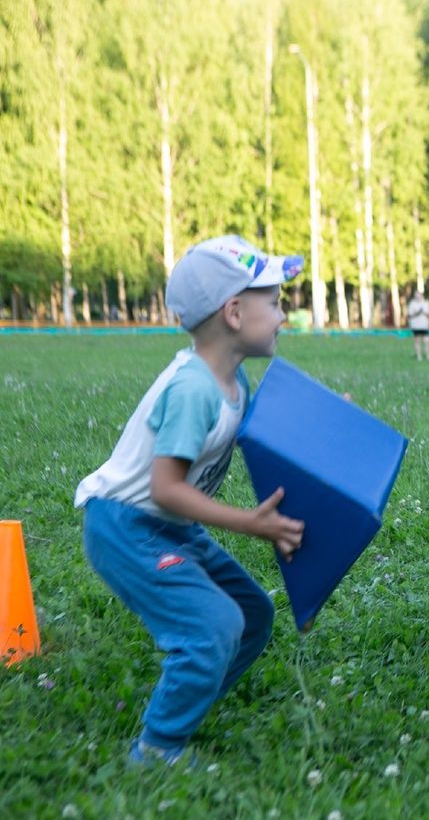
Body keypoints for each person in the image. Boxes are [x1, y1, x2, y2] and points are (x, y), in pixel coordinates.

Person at [74, 235, 307, 767]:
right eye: (273, 303)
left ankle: (187, 695)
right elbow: (166, 487)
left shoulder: (234, 381)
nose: (282, 315)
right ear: (233, 312)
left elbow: (262, 437)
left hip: (167, 525)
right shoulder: (192, 390)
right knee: (213, 627)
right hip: (126, 526)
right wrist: (250, 523)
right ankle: (157, 747)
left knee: (252, 613)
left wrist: (319, 423)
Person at [406, 288, 429, 361]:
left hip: (424, 326)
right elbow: (410, 315)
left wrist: (424, 313)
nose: (417, 296)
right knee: (417, 341)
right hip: (416, 326)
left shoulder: (425, 303)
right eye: (416, 295)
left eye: (418, 295)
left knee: (427, 341)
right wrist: (417, 312)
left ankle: (428, 356)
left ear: (421, 295)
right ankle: (419, 356)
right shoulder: (412, 304)